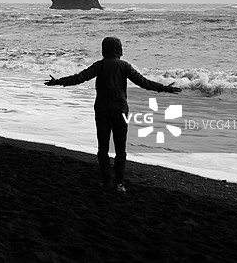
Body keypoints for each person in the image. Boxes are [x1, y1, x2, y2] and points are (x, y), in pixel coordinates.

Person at [45, 36, 181, 193]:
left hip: (102, 110)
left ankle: (106, 181)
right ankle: (119, 184)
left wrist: (58, 81)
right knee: (120, 149)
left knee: (102, 148)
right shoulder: (124, 66)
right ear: (119, 49)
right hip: (120, 111)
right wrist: (165, 88)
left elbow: (78, 78)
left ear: (104, 49)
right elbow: (144, 83)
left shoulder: (99, 65)